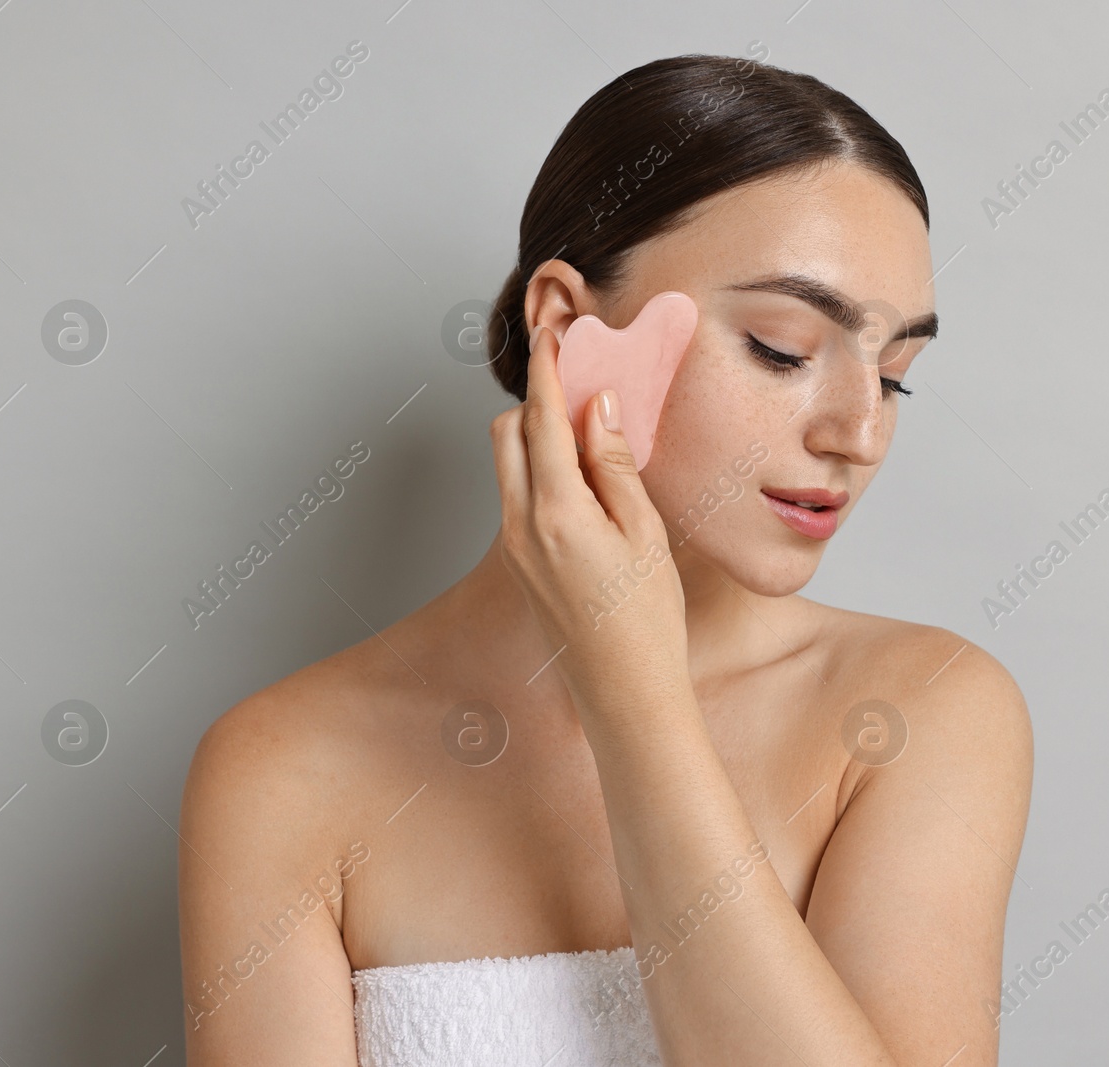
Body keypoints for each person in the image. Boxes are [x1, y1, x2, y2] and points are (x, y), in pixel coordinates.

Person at [178, 52, 1033, 1067]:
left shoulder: (916, 713)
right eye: (781, 346)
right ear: (563, 324)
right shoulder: (281, 767)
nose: (858, 432)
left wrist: (630, 691)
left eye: (895, 376)